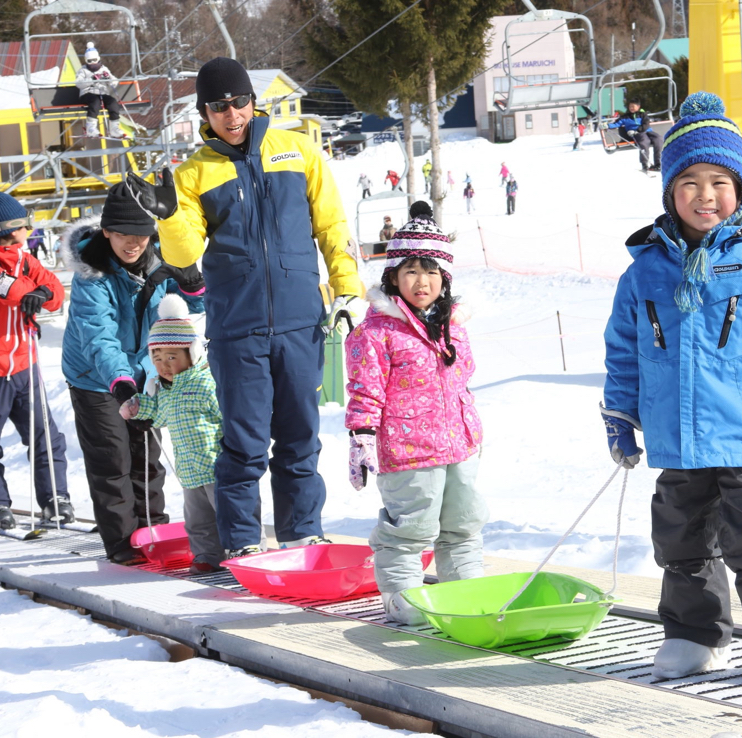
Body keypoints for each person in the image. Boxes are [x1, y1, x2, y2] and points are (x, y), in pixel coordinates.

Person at [601, 92, 742, 685]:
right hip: (676, 442)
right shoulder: (644, 272)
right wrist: (620, 414)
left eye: (719, 181)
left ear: (740, 191)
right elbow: (623, 351)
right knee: (681, 543)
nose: (705, 195)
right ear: (670, 192)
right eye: (691, 182)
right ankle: (694, 635)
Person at [127, 57, 365, 560]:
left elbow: (332, 225)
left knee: (300, 438)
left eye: (238, 101)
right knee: (243, 443)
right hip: (239, 329)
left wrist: (348, 287)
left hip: (301, 321)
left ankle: (302, 532)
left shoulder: (298, 150)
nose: (231, 113)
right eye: (218, 106)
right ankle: (242, 544)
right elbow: (184, 255)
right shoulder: (192, 174)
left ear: (253, 102)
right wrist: (169, 216)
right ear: (204, 112)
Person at [344, 201, 487, 626]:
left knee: (462, 523)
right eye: (410, 271)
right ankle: (401, 597)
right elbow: (364, 389)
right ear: (393, 277)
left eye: (430, 272)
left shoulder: (452, 326)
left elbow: (461, 380)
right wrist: (361, 436)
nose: (421, 281)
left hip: (459, 444)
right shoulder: (377, 332)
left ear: (444, 277)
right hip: (407, 449)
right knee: (410, 529)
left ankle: (464, 591)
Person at [61, 181, 205, 564]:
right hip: (95, 378)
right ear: (106, 232)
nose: (132, 244)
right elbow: (99, 339)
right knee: (113, 457)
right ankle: (123, 544)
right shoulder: (91, 276)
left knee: (147, 454)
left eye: (140, 235)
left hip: (143, 372)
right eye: (122, 234)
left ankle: (153, 529)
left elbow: (199, 302)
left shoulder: (160, 261)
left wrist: (192, 283)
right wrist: (121, 385)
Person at [0, 192, 69, 530]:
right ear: (10, 229)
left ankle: (55, 499)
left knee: (45, 436)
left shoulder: (25, 259)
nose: (28, 230)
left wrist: (44, 291)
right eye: (24, 225)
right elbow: (7, 290)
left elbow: (55, 293)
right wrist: (34, 290)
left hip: (22, 363)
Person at [119, 294, 229, 574]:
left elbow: (229, 415)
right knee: (198, 521)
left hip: (219, 468)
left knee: (232, 515)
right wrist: (137, 407)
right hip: (190, 471)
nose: (163, 364)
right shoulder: (165, 389)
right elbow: (159, 412)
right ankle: (207, 556)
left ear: (191, 353)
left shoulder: (207, 383)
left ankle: (242, 553)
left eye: (171, 357)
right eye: (156, 358)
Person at [75, 41, 123, 139]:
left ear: (98, 58)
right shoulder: (83, 70)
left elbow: (114, 80)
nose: (92, 63)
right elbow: (78, 84)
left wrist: (109, 79)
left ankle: (114, 128)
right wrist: (92, 79)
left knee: (112, 102)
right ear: (86, 60)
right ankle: (91, 128)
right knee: (95, 102)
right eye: (89, 61)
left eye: (94, 60)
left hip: (102, 92)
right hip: (87, 93)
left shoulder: (104, 69)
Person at [606, 99, 663, 172]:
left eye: (633, 106)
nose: (631, 108)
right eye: (630, 106)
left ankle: (658, 164)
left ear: (638, 106)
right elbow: (616, 123)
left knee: (659, 139)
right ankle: (644, 164)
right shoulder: (625, 117)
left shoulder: (643, 115)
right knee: (644, 141)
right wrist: (607, 125)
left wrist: (638, 130)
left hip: (646, 131)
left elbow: (646, 124)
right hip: (636, 134)